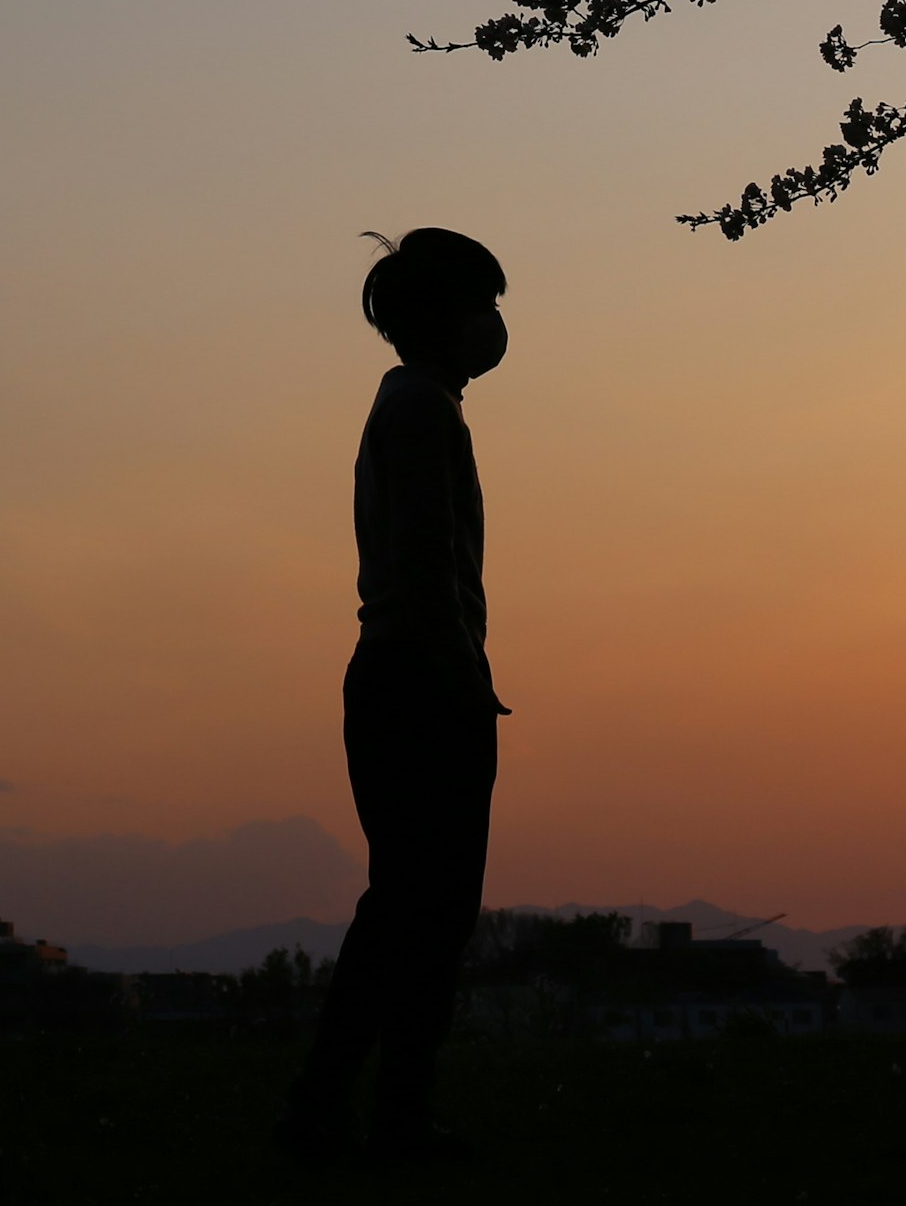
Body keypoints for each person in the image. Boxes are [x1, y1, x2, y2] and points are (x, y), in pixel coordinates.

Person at [279, 228, 512, 1164]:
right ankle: (380, 1117)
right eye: (484, 307)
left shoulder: (416, 405)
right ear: (443, 316)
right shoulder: (420, 412)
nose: (496, 326)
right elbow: (423, 570)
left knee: (406, 907)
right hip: (419, 681)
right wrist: (466, 677)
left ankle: (344, 1112)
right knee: (426, 911)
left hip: (405, 676)